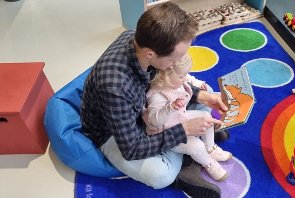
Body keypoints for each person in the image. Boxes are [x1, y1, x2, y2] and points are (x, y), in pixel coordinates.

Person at [80, 2, 228, 197]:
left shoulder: (139, 38)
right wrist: (184, 130)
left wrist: (200, 95)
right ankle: (187, 161)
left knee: (204, 92)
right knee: (161, 176)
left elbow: (164, 82)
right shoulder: (115, 87)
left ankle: (193, 144)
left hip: (150, 106)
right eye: (173, 60)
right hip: (114, 133)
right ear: (150, 54)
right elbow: (132, 149)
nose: (175, 64)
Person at [143, 54, 233, 181]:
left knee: (206, 116)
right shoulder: (156, 95)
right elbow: (155, 121)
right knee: (196, 146)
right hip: (166, 132)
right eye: (181, 76)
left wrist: (198, 83)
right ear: (165, 75)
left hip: (179, 118)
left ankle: (210, 148)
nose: (184, 78)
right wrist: (170, 108)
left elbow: (188, 79)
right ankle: (208, 163)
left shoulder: (176, 81)